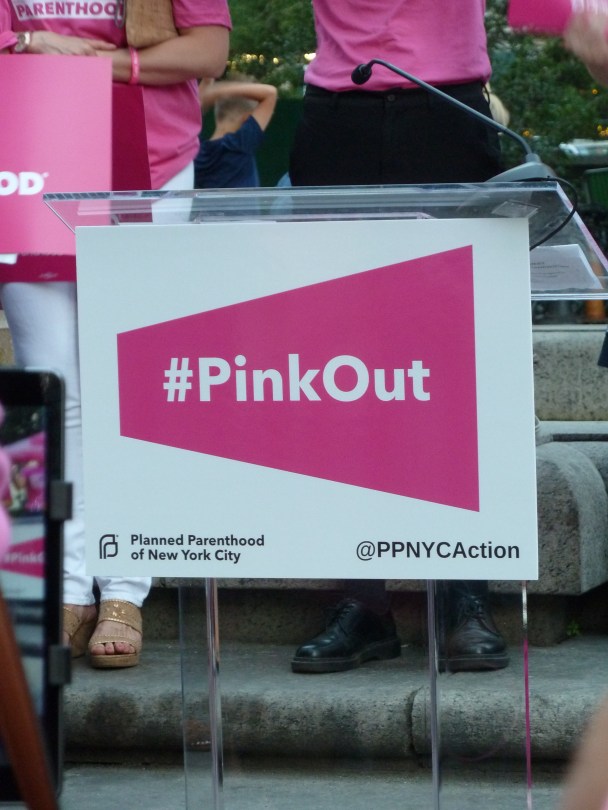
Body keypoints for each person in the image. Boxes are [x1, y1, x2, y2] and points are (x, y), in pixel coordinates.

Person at [0, 1, 231, 668]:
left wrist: (102, 64)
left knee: (127, 381)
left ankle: (126, 587)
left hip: (149, 164)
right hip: (28, 153)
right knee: (50, 388)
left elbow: (208, 50)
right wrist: (34, 40)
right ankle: (63, 586)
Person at [288, 0, 509, 675]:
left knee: (455, 362)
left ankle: (464, 591)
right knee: (342, 366)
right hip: (338, 114)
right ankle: (363, 600)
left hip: (445, 110)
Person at [194, 78, 277, 188]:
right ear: (247, 119)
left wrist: (208, 82)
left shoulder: (196, 151)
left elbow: (194, 109)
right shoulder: (240, 143)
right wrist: (218, 91)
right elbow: (271, 93)